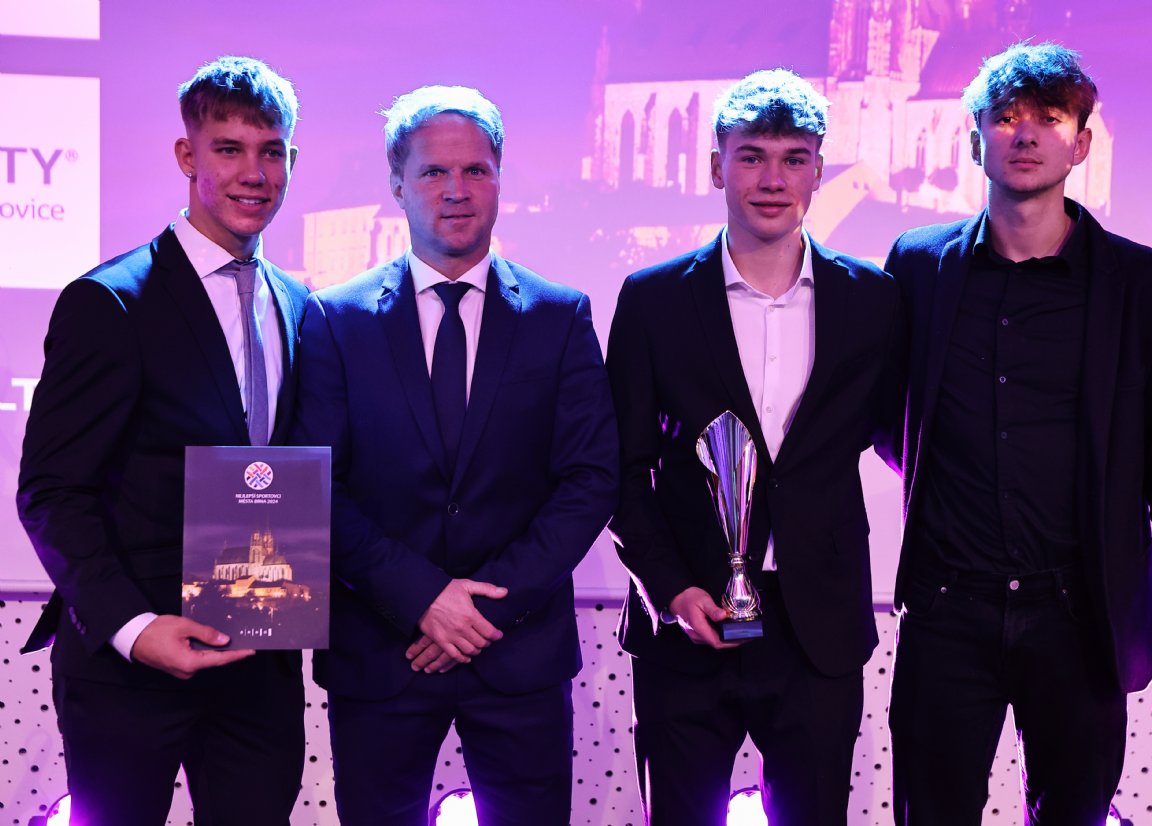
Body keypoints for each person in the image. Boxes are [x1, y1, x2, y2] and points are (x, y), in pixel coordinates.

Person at [884, 42, 1152, 824]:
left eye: (1049, 117)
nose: (1027, 133)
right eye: (1006, 117)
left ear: (1081, 143)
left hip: (1081, 617)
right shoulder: (918, 268)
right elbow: (886, 418)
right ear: (975, 141)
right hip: (946, 610)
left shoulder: (1148, 290)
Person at [292, 85, 618, 826]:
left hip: (518, 653)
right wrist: (423, 600)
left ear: (499, 178)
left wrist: (477, 611)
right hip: (383, 651)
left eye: (476, 170)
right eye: (435, 172)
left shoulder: (559, 315)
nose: (457, 189)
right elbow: (316, 486)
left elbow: (590, 480)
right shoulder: (335, 319)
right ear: (398, 184)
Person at [605, 68, 904, 826]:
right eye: (752, 157)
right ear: (717, 166)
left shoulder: (874, 301)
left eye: (793, 158)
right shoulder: (652, 299)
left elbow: (902, 439)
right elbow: (620, 468)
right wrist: (670, 590)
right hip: (687, 623)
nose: (773, 179)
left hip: (818, 627)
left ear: (818, 171)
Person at [16, 56, 309, 826]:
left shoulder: (299, 304)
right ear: (187, 155)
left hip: (259, 661)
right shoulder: (110, 301)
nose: (254, 173)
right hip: (130, 666)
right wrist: (136, 631)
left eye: (271, 151)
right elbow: (52, 492)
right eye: (228, 149)